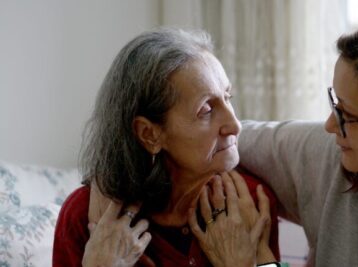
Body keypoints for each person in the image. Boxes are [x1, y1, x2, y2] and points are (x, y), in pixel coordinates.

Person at [191, 12, 358, 266]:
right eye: (333, 102)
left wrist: (252, 263)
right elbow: (225, 137)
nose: (329, 125)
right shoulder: (331, 155)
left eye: (346, 114)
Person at [52, 28, 280, 267]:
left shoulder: (249, 201)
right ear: (149, 134)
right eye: (207, 110)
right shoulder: (85, 218)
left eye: (227, 98)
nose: (234, 125)